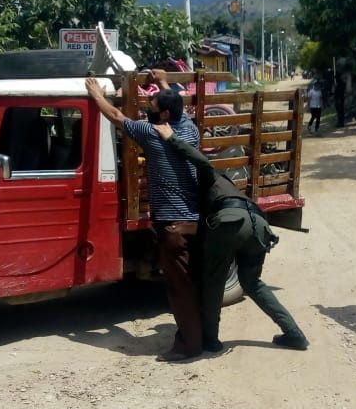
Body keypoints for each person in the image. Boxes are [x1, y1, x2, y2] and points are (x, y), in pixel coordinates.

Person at [152, 121, 308, 351]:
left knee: (213, 283)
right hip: (259, 226)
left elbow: (201, 161)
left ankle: (211, 340)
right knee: (253, 284)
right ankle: (294, 334)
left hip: (230, 224)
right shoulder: (228, 185)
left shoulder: (208, 175)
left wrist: (171, 137)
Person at [84, 76, 203, 362]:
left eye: (152, 104)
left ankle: (189, 347)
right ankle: (203, 337)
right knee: (193, 285)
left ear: (163, 114)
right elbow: (174, 105)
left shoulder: (151, 133)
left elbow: (115, 115)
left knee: (179, 289)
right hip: (193, 221)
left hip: (172, 227)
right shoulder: (189, 129)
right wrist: (163, 82)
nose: (148, 107)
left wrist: (96, 94)